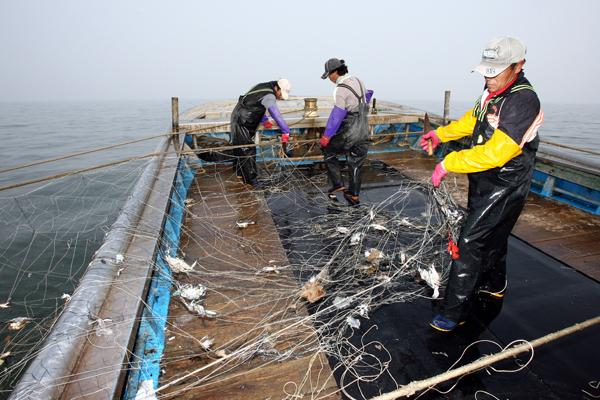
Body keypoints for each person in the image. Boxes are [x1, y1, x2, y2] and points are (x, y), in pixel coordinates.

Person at [420, 36, 544, 332]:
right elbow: (470, 122)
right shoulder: (492, 93)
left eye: (496, 70)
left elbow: (499, 151)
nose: (489, 77)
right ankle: (495, 284)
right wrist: (441, 135)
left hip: (506, 181)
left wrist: (448, 162)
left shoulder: (522, 99)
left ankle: (454, 311)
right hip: (483, 178)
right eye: (486, 70)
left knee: (470, 241)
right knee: (495, 234)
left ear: (518, 66)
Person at [320, 58, 373, 206]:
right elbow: (367, 97)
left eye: (329, 75)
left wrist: (327, 135)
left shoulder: (340, 89)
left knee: (329, 153)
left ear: (335, 72)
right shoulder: (358, 81)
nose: (329, 78)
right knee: (356, 162)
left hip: (350, 129)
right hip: (364, 129)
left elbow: (337, 115)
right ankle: (354, 194)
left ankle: (338, 184)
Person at [231, 79, 292, 187]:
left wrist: (264, 120)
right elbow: (275, 113)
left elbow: (255, 103)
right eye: (280, 94)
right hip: (243, 121)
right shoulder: (270, 95)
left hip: (238, 116)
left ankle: (240, 172)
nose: (280, 97)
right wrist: (285, 131)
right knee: (247, 149)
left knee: (239, 146)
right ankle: (250, 180)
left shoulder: (262, 87)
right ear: (276, 88)